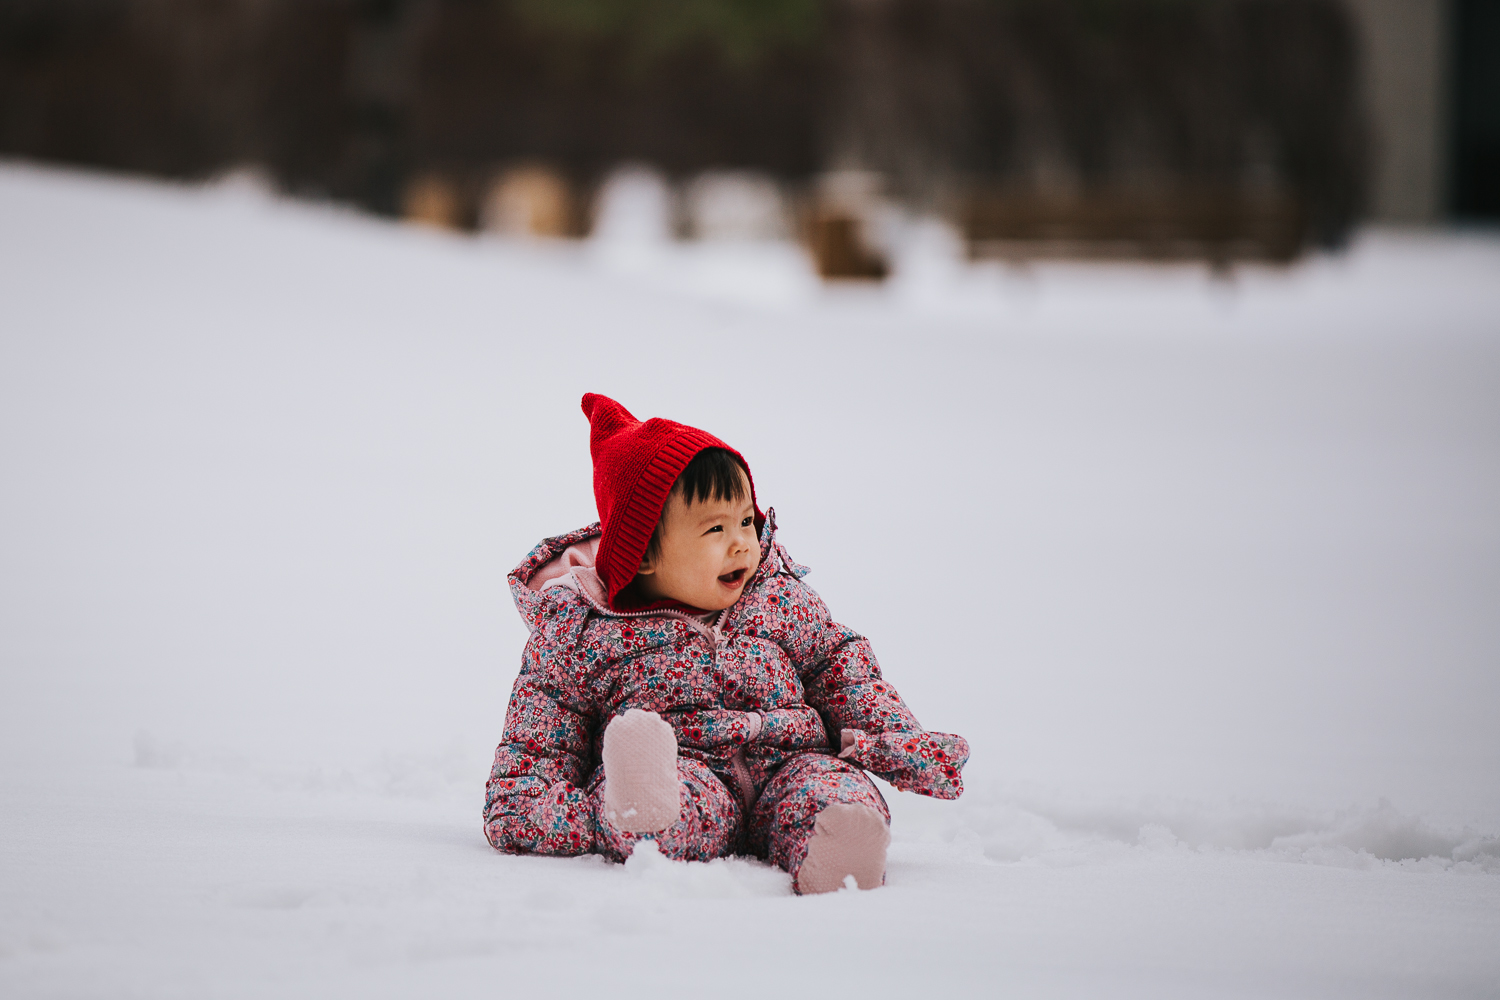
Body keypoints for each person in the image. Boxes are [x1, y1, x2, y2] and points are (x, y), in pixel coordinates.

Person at [484, 393, 969, 893]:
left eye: (745, 521)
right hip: (688, 771)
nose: (742, 542)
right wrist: (541, 809)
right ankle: (644, 814)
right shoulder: (585, 635)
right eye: (715, 528)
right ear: (642, 555)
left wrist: (894, 738)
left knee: (830, 787)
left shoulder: (779, 599)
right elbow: (538, 742)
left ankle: (838, 844)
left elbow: (843, 670)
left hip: (788, 759)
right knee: (671, 809)